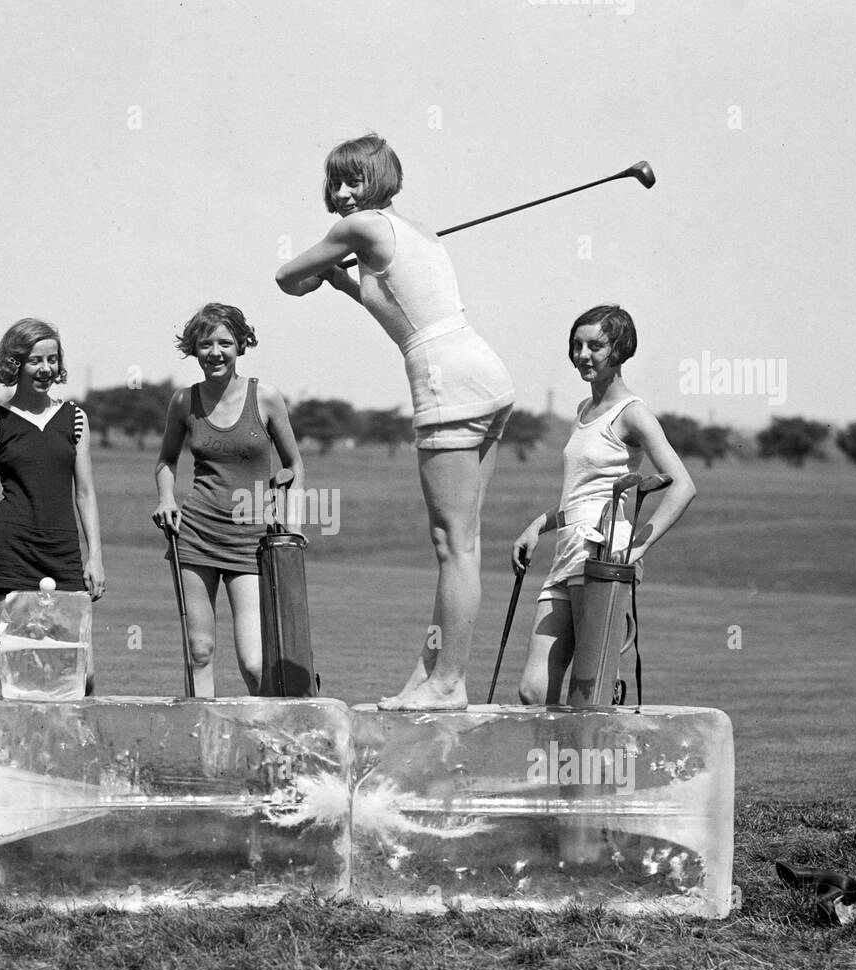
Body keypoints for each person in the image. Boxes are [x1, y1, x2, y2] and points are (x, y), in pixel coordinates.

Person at [276, 132, 514, 710]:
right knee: (464, 542)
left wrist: (316, 275)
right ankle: (428, 676)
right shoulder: (414, 233)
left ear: (380, 179)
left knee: (451, 543)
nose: (342, 190)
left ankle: (450, 684)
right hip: (484, 374)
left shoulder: (356, 230)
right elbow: (399, 308)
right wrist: (344, 282)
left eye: (354, 178)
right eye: (335, 180)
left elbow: (286, 276)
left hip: (445, 381)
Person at [511, 304, 696, 705]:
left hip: (603, 556)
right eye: (577, 345)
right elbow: (583, 495)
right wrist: (538, 525)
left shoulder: (633, 414)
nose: (583, 355)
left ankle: (590, 766)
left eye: (595, 345)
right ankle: (550, 767)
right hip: (567, 553)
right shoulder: (583, 411)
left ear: (620, 349)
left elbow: (682, 485)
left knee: (589, 692)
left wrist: (639, 546)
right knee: (533, 691)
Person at [152, 303, 305, 696]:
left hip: (251, 541)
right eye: (206, 344)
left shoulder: (266, 398)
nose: (215, 352)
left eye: (225, 342)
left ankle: (269, 741)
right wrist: (166, 497)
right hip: (195, 536)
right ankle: (205, 745)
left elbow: (294, 464)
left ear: (241, 345)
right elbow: (166, 460)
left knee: (255, 662)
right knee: (199, 652)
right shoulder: (184, 402)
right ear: (194, 349)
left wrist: (292, 525)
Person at [0, 318, 104, 695]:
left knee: (81, 672)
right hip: (10, 552)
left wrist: (95, 556)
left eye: (52, 360)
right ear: (15, 364)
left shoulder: (75, 418)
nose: (46, 369)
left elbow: (85, 493)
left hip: (63, 552)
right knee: (9, 667)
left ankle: (65, 753)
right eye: (35, 361)